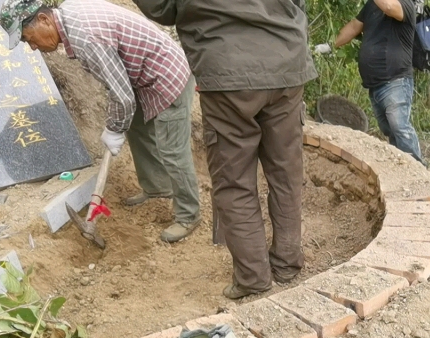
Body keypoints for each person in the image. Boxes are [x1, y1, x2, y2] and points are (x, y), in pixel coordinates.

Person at [132, 0, 317, 299]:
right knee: (286, 171)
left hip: (227, 69)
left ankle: (253, 278)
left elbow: (161, 9)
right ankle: (287, 263)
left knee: (235, 181)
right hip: (286, 61)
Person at [0, 0, 201, 243]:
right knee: (137, 129)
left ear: (43, 20)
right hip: (140, 73)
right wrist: (117, 125)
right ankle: (158, 187)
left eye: (28, 38)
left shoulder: (86, 38)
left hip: (166, 74)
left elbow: (123, 97)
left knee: (172, 150)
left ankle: (189, 215)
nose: (32, 47)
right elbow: (120, 88)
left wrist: (114, 129)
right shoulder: (68, 13)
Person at [333, 0, 423, 163]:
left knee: (400, 128)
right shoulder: (371, 6)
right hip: (375, 85)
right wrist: (330, 45)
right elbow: (354, 27)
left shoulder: (406, 4)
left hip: (396, 80)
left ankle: (419, 172)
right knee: (389, 131)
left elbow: (389, 7)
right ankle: (403, 170)